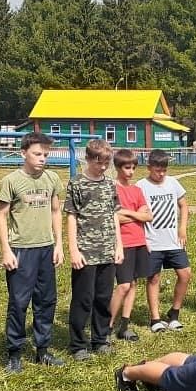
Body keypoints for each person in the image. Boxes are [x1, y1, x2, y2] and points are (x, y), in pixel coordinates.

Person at [0, 132, 64, 373]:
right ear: (24, 152)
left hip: (45, 248)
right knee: (18, 302)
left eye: (46, 154)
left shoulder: (52, 179)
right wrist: (6, 250)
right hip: (21, 250)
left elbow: (56, 211)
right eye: (37, 154)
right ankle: (14, 352)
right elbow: (1, 216)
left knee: (46, 301)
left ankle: (42, 350)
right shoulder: (12, 181)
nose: (42, 158)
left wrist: (59, 244)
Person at [64, 139, 123, 361]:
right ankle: (78, 344)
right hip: (85, 251)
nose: (103, 167)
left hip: (107, 250)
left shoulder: (110, 185)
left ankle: (100, 339)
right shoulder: (76, 184)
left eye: (107, 163)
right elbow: (71, 216)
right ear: (88, 159)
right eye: (99, 162)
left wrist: (119, 245)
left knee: (103, 297)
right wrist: (74, 250)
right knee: (83, 299)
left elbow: (114, 214)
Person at [136, 150, 190, 332]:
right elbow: (138, 216)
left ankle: (174, 313)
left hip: (173, 241)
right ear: (149, 167)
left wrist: (182, 228)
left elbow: (183, 204)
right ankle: (155, 318)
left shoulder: (173, 183)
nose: (160, 174)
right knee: (153, 278)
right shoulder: (141, 186)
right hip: (153, 242)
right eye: (157, 170)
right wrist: (143, 239)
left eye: (164, 171)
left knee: (185, 274)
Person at [108, 149, 152, 342]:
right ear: (118, 167)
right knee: (123, 285)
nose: (131, 171)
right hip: (122, 244)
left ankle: (124, 326)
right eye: (127, 167)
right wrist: (136, 214)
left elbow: (148, 216)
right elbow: (113, 217)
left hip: (139, 243)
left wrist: (129, 213)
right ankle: (106, 326)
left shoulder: (137, 190)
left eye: (134, 167)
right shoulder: (112, 189)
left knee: (133, 283)